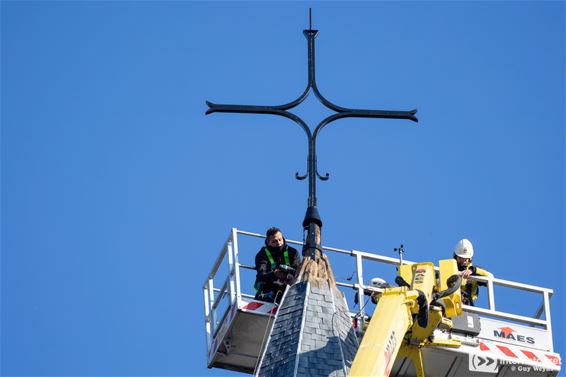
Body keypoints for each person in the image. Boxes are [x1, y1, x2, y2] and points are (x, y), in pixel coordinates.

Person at [254, 227, 301, 303]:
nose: (279, 243)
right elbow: (261, 275)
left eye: (280, 239)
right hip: (268, 291)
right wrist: (275, 274)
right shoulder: (262, 254)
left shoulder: (292, 252)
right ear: (268, 242)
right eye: (274, 241)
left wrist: (286, 276)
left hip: (288, 291)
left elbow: (298, 274)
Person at [453, 238, 493, 306]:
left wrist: (473, 270)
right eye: (460, 258)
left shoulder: (476, 271)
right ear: (456, 257)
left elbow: (491, 278)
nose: (463, 261)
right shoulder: (449, 269)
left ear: (469, 259)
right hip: (450, 303)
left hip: (467, 306)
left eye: (465, 259)